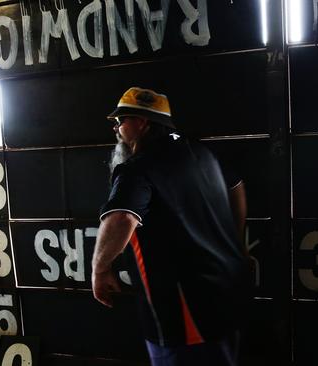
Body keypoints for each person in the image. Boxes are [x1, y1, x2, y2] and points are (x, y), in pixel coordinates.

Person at [92, 87, 251, 366]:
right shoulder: (202, 153)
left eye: (121, 121)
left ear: (142, 122)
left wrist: (100, 269)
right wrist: (236, 241)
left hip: (183, 312)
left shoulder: (137, 168)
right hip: (228, 296)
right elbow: (236, 186)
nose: (116, 128)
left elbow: (121, 218)